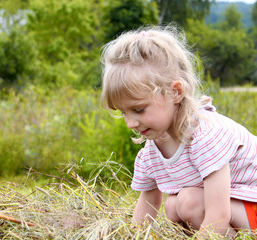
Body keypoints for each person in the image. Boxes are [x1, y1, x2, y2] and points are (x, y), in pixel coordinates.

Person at [100, 25, 257, 237]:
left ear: (175, 92)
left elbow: (218, 214)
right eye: (123, 112)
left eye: (139, 110)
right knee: (173, 206)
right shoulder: (151, 151)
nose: (130, 123)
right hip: (236, 208)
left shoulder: (204, 136)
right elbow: (147, 204)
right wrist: (132, 235)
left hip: (251, 202)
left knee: (187, 202)